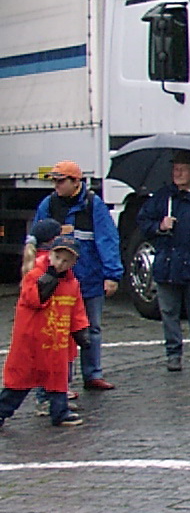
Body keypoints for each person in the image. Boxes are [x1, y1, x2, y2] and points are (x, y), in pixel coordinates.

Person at [29, 160, 122, 393]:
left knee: (92, 328)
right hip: (61, 282)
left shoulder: (93, 205)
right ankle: (62, 382)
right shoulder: (49, 205)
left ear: (76, 182)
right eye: (55, 181)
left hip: (89, 279)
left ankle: (93, 375)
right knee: (60, 332)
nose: (56, 186)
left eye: (61, 181)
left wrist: (112, 275)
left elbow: (107, 239)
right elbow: (38, 240)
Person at [137, 151, 190, 370]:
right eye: (175, 169)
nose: (177, 173)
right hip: (167, 264)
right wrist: (160, 226)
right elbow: (143, 222)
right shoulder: (162, 197)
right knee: (169, 312)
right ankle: (173, 354)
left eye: (182, 169)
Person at [1, 235, 90, 428]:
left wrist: (81, 331)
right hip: (31, 341)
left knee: (58, 379)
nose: (61, 264)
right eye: (58, 258)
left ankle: (60, 412)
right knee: (20, 381)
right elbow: (32, 300)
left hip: (56, 341)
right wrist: (46, 282)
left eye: (66, 261)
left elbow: (77, 310)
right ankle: (2, 412)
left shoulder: (71, 284)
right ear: (50, 255)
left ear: (73, 263)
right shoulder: (34, 275)